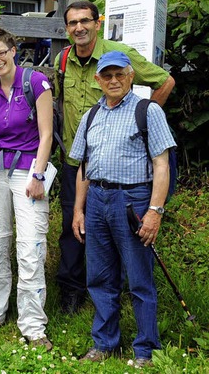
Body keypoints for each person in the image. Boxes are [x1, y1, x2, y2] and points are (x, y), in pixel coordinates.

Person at [55, 0, 175, 314]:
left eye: (85, 21)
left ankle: (123, 294)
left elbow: (165, 81)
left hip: (122, 169)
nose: (79, 28)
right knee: (73, 227)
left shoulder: (117, 56)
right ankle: (73, 294)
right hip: (77, 162)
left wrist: (145, 123)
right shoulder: (63, 59)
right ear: (67, 28)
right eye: (72, 23)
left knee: (124, 234)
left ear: (98, 23)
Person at [70, 51, 175, 368]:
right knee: (100, 278)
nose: (113, 80)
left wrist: (155, 210)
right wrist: (78, 210)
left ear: (131, 77)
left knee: (139, 278)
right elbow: (83, 166)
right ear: (98, 80)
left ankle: (145, 348)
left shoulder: (148, 111)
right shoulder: (91, 116)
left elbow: (161, 164)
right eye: (108, 75)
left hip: (133, 201)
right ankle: (104, 343)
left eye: (120, 75)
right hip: (97, 201)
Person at [0, 27, 54, 349]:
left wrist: (38, 175)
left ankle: (33, 325)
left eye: (1, 52)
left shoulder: (35, 83)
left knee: (30, 246)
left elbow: (46, 134)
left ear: (13, 50)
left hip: (29, 171)